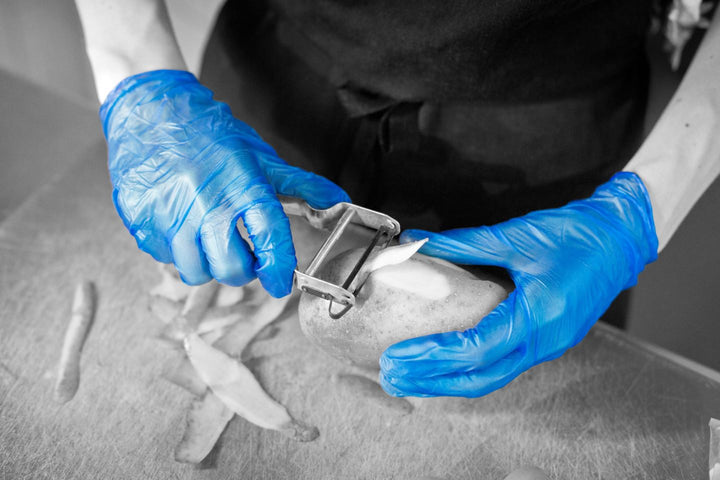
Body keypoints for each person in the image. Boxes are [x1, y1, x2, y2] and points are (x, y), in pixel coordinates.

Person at [74, 0, 720, 398]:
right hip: (264, 80)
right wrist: (138, 73)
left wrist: (640, 210)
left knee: (508, 378)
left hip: (540, 133)